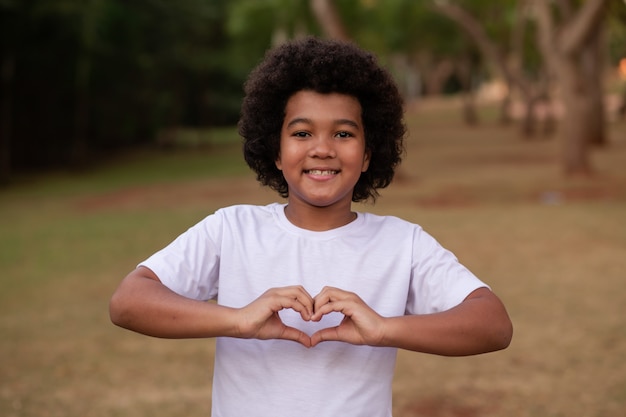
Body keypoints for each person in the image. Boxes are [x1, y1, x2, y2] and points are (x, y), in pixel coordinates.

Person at [109, 36, 512, 417]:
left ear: (369, 154)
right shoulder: (232, 230)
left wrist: (384, 328)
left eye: (343, 133)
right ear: (277, 152)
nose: (322, 148)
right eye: (302, 133)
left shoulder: (401, 243)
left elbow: (493, 325)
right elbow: (129, 303)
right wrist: (239, 319)